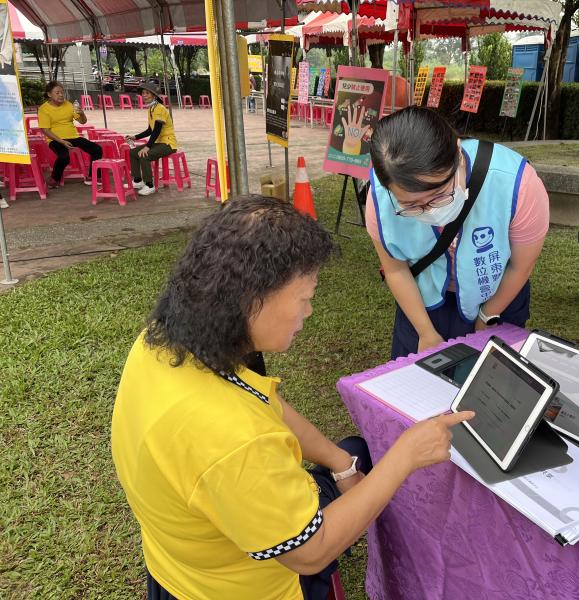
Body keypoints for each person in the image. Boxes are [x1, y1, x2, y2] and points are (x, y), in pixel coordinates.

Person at [111, 195, 472, 600]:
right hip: (237, 589)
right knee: (374, 465)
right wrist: (406, 455)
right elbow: (310, 553)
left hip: (176, 564)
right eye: (304, 297)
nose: (309, 311)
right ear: (253, 299)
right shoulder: (235, 439)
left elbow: (266, 404)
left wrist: (339, 462)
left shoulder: (163, 345)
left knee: (354, 451)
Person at [366, 106, 550, 359]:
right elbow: (395, 269)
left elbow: (520, 267)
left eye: (439, 195)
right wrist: (425, 331)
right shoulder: (379, 197)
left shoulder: (517, 183)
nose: (429, 211)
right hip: (423, 302)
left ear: (458, 155)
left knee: (491, 385)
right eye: (410, 205)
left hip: (498, 295)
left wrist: (488, 315)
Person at [37, 81, 102, 189]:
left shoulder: (68, 104)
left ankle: (93, 177)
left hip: (73, 137)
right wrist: (62, 142)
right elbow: (45, 130)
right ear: (49, 94)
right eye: (57, 93)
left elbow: (83, 122)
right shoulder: (44, 109)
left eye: (62, 92)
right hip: (55, 140)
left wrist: (82, 113)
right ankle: (54, 178)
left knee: (97, 149)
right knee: (64, 157)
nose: (61, 95)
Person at [124, 82, 177, 196]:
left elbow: (157, 130)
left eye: (147, 93)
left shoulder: (159, 108)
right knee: (133, 152)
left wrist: (147, 147)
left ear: (154, 96)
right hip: (158, 142)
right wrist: (135, 137)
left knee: (144, 155)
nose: (144, 95)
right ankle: (138, 180)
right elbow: (150, 130)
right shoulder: (151, 109)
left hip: (168, 144)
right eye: (143, 93)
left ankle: (149, 185)